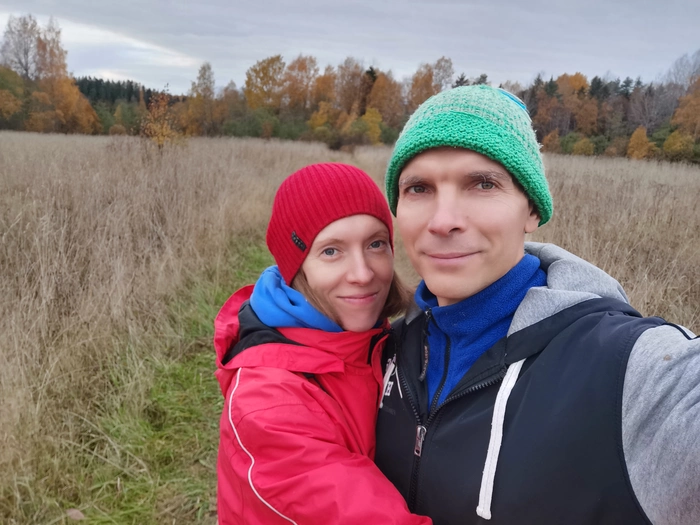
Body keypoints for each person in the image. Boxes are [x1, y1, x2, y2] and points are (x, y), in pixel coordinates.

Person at [374, 85, 700, 525]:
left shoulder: (625, 373)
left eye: (483, 183)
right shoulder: (385, 350)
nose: (443, 220)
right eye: (418, 188)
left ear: (531, 210)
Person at [215, 163, 431, 524]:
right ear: (296, 268)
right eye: (331, 251)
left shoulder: (384, 343)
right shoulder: (267, 403)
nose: (362, 273)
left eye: (376, 244)